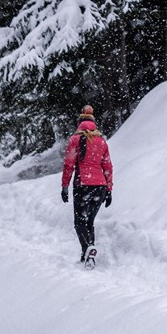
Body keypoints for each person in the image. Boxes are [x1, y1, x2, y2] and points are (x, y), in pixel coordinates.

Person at [61, 105, 113, 265]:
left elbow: (69, 165)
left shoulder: (74, 140)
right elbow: (108, 167)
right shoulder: (101, 142)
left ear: (79, 123)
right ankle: (88, 256)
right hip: (100, 187)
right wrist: (109, 190)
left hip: (83, 185)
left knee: (79, 222)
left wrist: (64, 187)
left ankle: (88, 247)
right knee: (89, 221)